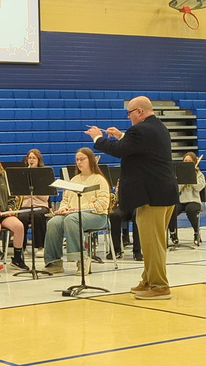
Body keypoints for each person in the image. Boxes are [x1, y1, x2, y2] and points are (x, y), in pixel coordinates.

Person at [87, 96, 179, 299]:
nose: (128, 117)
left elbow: (120, 150)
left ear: (139, 111)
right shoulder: (158, 128)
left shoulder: (141, 130)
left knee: (152, 243)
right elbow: (135, 147)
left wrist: (97, 139)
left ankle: (159, 285)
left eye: (129, 113)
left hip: (151, 196)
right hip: (163, 193)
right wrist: (121, 135)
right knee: (151, 242)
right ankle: (148, 280)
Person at [41, 148, 111, 276]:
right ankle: (54, 262)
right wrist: (63, 208)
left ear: (90, 160)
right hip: (72, 214)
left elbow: (102, 205)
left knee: (72, 219)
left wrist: (79, 208)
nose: (79, 162)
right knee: (54, 222)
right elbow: (66, 199)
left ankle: (81, 260)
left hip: (97, 216)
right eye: (77, 160)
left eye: (82, 159)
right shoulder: (74, 180)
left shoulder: (99, 179)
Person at [14, 149, 50, 257]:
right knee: (22, 217)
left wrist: (32, 190)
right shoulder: (22, 175)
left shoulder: (44, 175)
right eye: (29, 158)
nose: (31, 160)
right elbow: (18, 194)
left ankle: (40, 246)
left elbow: (45, 197)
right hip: (25, 206)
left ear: (39, 160)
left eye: (34, 158)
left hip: (40, 205)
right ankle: (21, 247)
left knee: (38, 215)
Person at [170, 151, 206, 246]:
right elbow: (175, 189)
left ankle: (196, 233)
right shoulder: (177, 173)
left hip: (193, 200)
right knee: (171, 210)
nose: (187, 162)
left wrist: (191, 178)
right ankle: (173, 233)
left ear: (194, 162)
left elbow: (200, 187)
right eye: (185, 160)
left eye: (189, 161)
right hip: (181, 200)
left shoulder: (199, 174)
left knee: (190, 210)